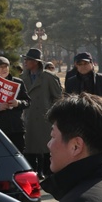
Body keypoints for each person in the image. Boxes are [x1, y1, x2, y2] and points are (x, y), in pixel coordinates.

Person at [21, 48, 62, 178]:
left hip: (46, 119)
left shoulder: (49, 77)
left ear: (36, 62)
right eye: (25, 59)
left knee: (47, 150)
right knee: (29, 151)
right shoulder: (22, 78)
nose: (25, 62)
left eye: (28, 59)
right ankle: (33, 176)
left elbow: (58, 98)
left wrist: (53, 114)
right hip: (28, 119)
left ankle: (49, 176)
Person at [0, 55, 30, 152]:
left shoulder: (18, 82)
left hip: (17, 128)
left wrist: (18, 103)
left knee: (19, 154)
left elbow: (28, 102)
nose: (4, 69)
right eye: (1, 67)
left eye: (6, 66)